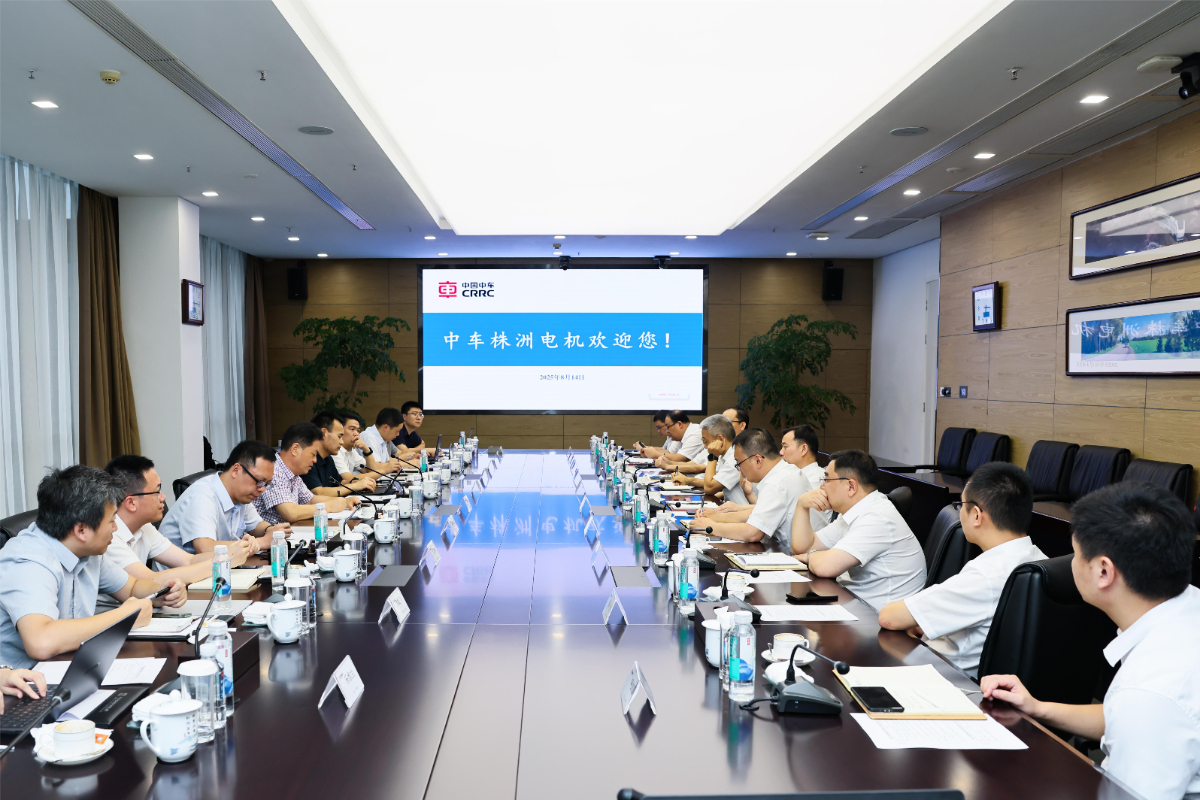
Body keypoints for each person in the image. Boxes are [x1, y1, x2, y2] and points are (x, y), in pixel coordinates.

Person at [981, 482, 1200, 800]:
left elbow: (1142, 713)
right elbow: (1120, 717)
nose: (1071, 562)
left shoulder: (1150, 691)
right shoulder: (1185, 605)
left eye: (1076, 553)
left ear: (1103, 571)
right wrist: (1038, 708)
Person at [0, 466, 186, 669]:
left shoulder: (85, 549)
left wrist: (162, 592)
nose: (116, 528)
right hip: (23, 680)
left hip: (73, 666)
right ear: (81, 530)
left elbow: (132, 588)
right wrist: (125, 617)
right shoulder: (29, 561)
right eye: (112, 521)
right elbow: (41, 642)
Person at [878, 463, 1046, 676]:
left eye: (961, 505)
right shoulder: (1041, 560)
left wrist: (918, 624)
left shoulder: (985, 575)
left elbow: (889, 617)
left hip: (947, 678)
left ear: (976, 515)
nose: (959, 513)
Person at [791, 450, 926, 611]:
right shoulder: (853, 512)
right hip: (856, 602)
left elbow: (824, 567)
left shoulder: (877, 517)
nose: (822, 486)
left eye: (826, 479)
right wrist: (802, 505)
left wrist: (810, 556)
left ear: (851, 486)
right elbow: (804, 547)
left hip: (877, 617)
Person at [102, 455, 252, 597]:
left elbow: (188, 560)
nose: (163, 497)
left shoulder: (145, 528)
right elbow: (151, 580)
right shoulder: (109, 535)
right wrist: (224, 560)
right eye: (157, 491)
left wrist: (231, 551)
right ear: (131, 503)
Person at [160, 439, 292, 555]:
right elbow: (204, 547)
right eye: (259, 481)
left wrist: (272, 531)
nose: (262, 489)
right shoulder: (203, 496)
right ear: (236, 470)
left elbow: (256, 525)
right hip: (180, 574)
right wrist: (261, 542)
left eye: (266, 484)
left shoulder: (240, 495)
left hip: (216, 568)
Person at [687, 428, 808, 546]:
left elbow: (752, 533)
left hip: (793, 554)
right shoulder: (788, 471)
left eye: (739, 463)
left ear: (758, 460)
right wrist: (718, 517)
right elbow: (759, 512)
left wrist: (710, 527)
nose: (739, 469)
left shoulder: (775, 483)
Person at [254, 422, 360, 526]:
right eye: (313, 454)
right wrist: (328, 506)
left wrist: (344, 501)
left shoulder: (293, 474)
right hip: (266, 535)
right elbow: (290, 513)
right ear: (295, 449)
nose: (315, 460)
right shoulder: (274, 470)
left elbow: (310, 500)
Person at [673, 414, 748, 503]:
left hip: (741, 510)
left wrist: (712, 456)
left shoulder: (735, 458)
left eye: (705, 441)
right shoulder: (724, 454)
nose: (705, 447)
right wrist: (688, 480)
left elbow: (709, 488)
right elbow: (714, 481)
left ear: (720, 439)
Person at [305, 413, 377, 498]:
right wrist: (355, 486)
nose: (341, 442)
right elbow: (317, 492)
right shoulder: (307, 459)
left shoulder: (328, 458)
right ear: (323, 433)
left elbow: (340, 483)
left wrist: (357, 482)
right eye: (339, 436)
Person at [360, 407, 405, 474]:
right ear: (385, 427)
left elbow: (387, 461)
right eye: (397, 431)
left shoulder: (382, 438)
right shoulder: (370, 437)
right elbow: (375, 467)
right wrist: (405, 465)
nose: (398, 434)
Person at [333, 411, 369, 479]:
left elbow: (370, 471)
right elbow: (348, 478)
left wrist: (367, 450)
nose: (356, 434)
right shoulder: (335, 451)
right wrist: (384, 470)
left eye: (358, 430)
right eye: (352, 429)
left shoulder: (352, 450)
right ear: (340, 429)